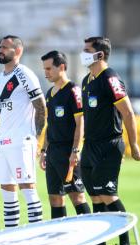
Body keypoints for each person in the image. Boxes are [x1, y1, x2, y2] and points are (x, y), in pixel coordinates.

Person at [73, 37, 140, 245]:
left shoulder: (110, 78)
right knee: (95, 196)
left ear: (100, 55)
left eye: (87, 51)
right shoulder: (86, 80)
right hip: (90, 146)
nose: (83, 54)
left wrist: (133, 145)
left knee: (108, 195)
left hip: (109, 145)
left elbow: (128, 113)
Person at [0, 35, 46, 227]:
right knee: (6, 189)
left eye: (5, 47)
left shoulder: (24, 74)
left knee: (27, 187)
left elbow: (41, 107)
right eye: (0, 47)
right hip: (2, 141)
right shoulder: (0, 77)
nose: (1, 50)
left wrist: (37, 139)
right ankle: (11, 235)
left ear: (18, 51)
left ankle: (36, 235)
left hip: (21, 140)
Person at [39, 51, 91, 219]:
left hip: (68, 152)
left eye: (49, 69)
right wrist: (43, 151)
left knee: (77, 196)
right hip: (53, 152)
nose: (45, 72)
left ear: (61, 67)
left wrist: (75, 151)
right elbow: (50, 124)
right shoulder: (50, 93)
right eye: (44, 69)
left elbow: (80, 123)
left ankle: (93, 243)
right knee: (55, 198)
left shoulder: (73, 90)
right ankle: (60, 241)